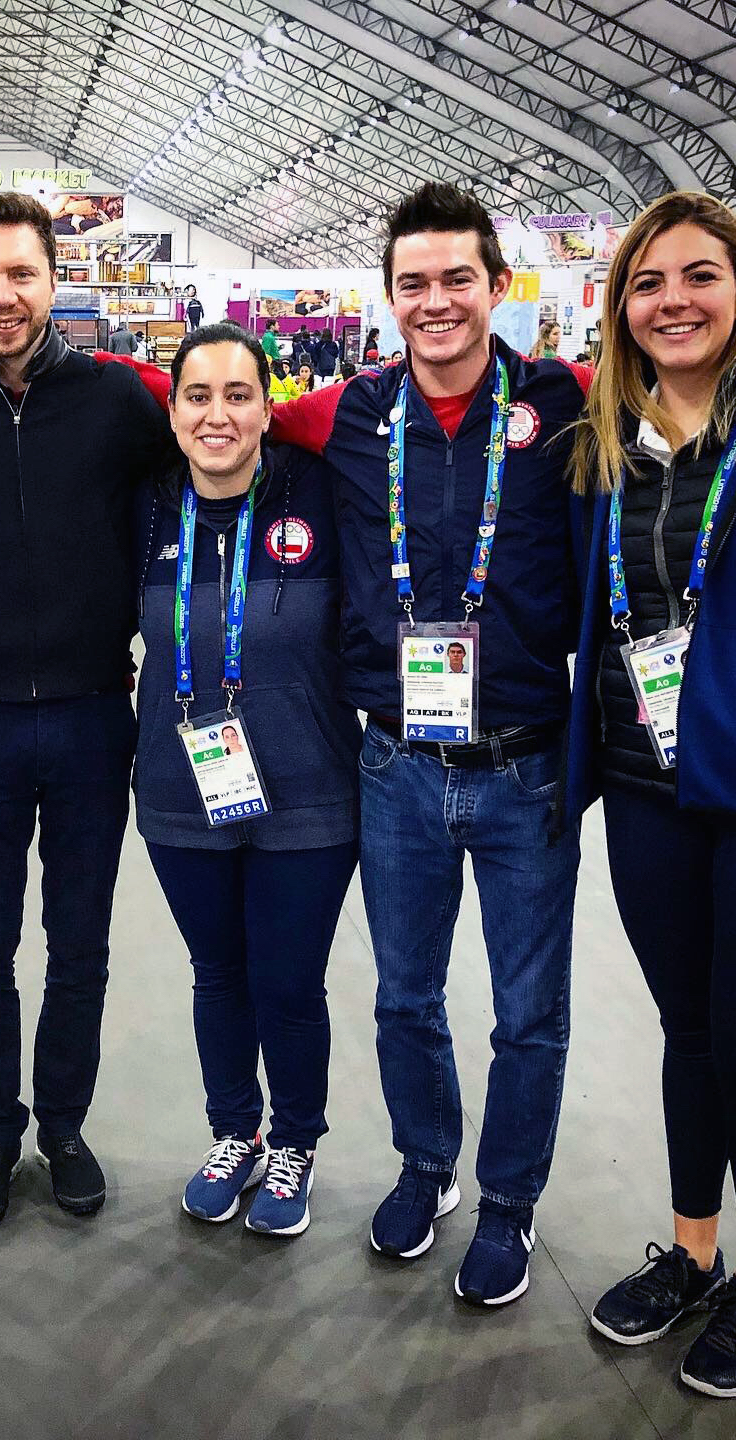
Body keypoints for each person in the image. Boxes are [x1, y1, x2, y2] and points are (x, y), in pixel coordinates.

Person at [261, 182, 594, 1307]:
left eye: (460, 279)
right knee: (404, 996)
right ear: (389, 296)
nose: (437, 301)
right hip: (397, 766)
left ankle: (508, 1203)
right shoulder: (346, 414)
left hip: (528, 765)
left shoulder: (566, 404)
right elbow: (204, 407)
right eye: (415, 282)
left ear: (499, 288)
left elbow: (709, 386)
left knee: (528, 1013)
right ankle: (426, 1166)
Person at [565, 191, 736, 1398]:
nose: (671, 301)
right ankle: (691, 1251)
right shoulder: (604, 443)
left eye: (696, 278)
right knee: (689, 1034)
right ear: (620, 308)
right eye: (646, 283)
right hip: (643, 796)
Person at [0, 191, 173, 1231]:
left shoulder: (117, 403)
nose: (2, 296)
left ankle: (62, 1123)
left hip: (99, 717)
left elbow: (214, 453)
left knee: (81, 943)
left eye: (21, 273)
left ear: (56, 280)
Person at [135, 325, 361, 1237]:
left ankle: (296, 1140)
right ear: (175, 410)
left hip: (309, 793)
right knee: (218, 971)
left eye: (239, 395)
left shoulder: (321, 494)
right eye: (198, 395)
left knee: (288, 979)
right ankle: (236, 1131)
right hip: (182, 794)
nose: (218, 414)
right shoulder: (147, 507)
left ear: (271, 409)